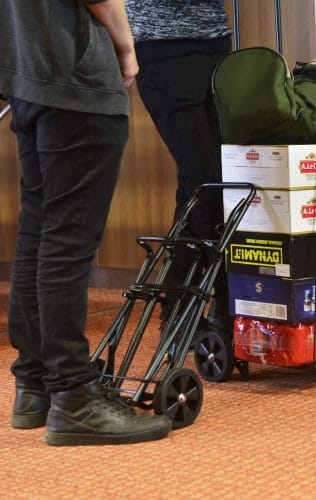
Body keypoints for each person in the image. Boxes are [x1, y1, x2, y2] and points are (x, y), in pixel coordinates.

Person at [1, 0, 172, 445]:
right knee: (66, 242)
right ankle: (74, 395)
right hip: (74, 77)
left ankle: (36, 382)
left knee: (39, 233)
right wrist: (127, 46)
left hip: (28, 76)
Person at [124, 0, 233, 333]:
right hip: (163, 48)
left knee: (226, 179)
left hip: (215, 43)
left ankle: (220, 302)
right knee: (204, 178)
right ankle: (179, 304)